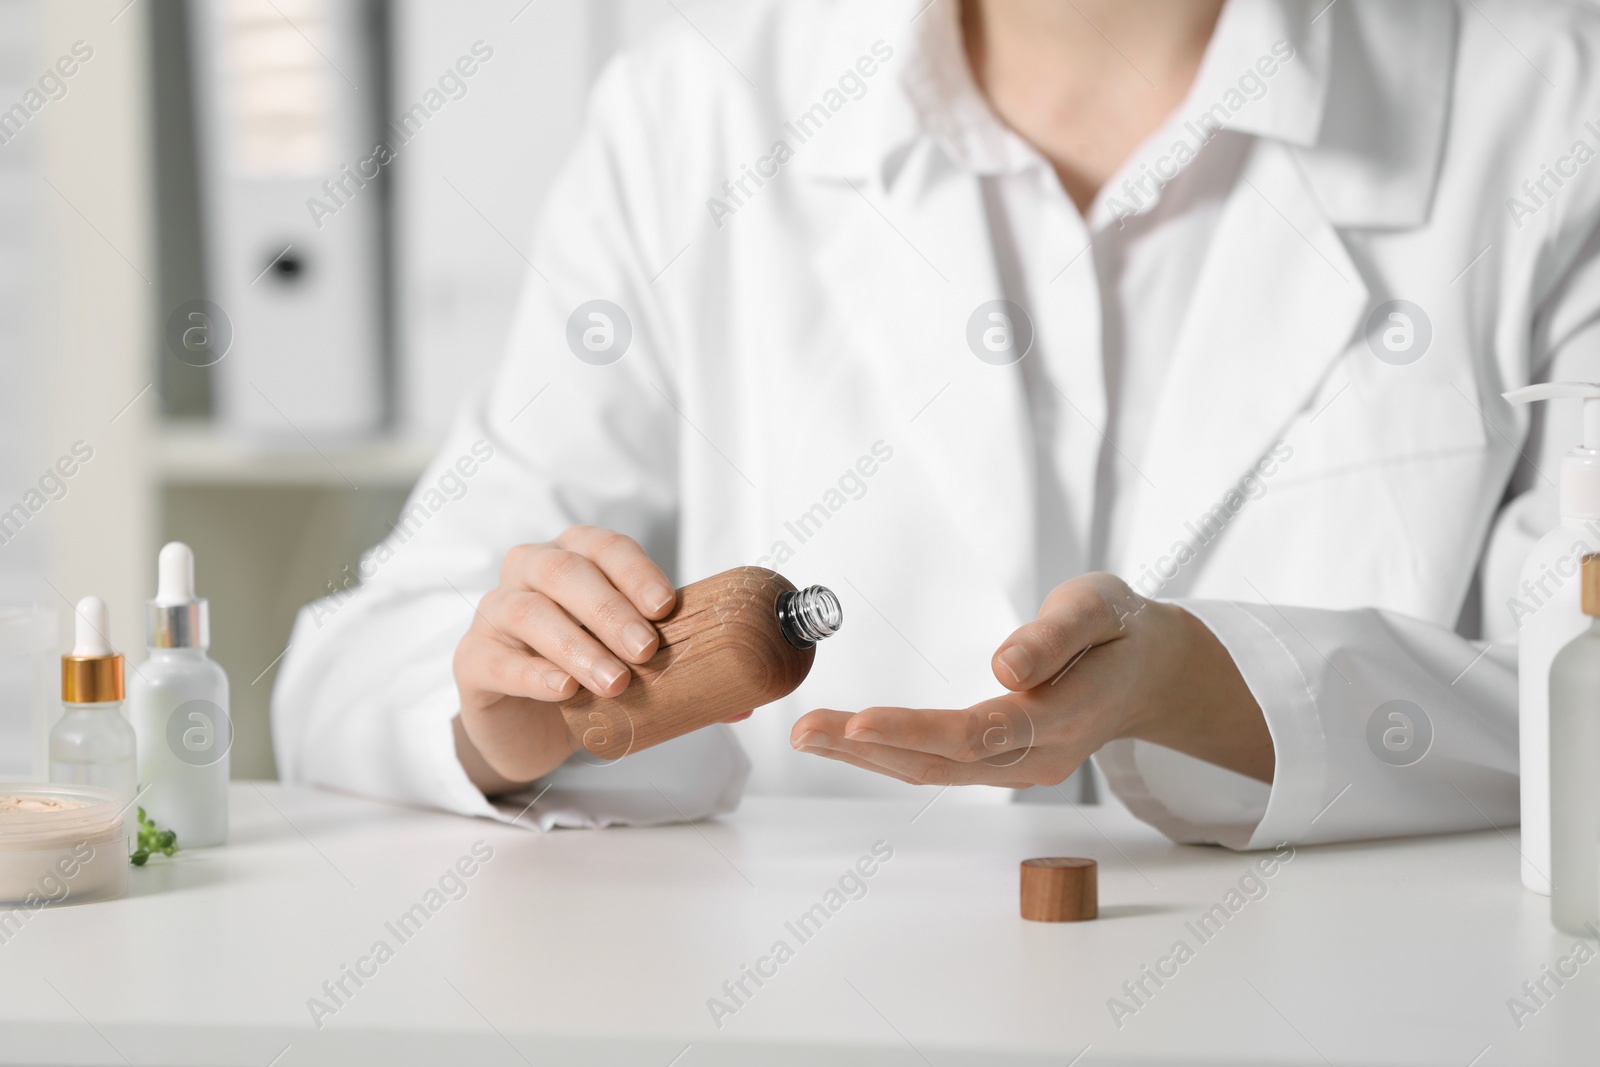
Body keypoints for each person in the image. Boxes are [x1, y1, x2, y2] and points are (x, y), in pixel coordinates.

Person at [274, 0, 1598, 848]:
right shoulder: (695, 118)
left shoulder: (1550, 109)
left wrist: (1223, 690)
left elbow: (1579, 681)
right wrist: (506, 723)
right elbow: (355, 665)